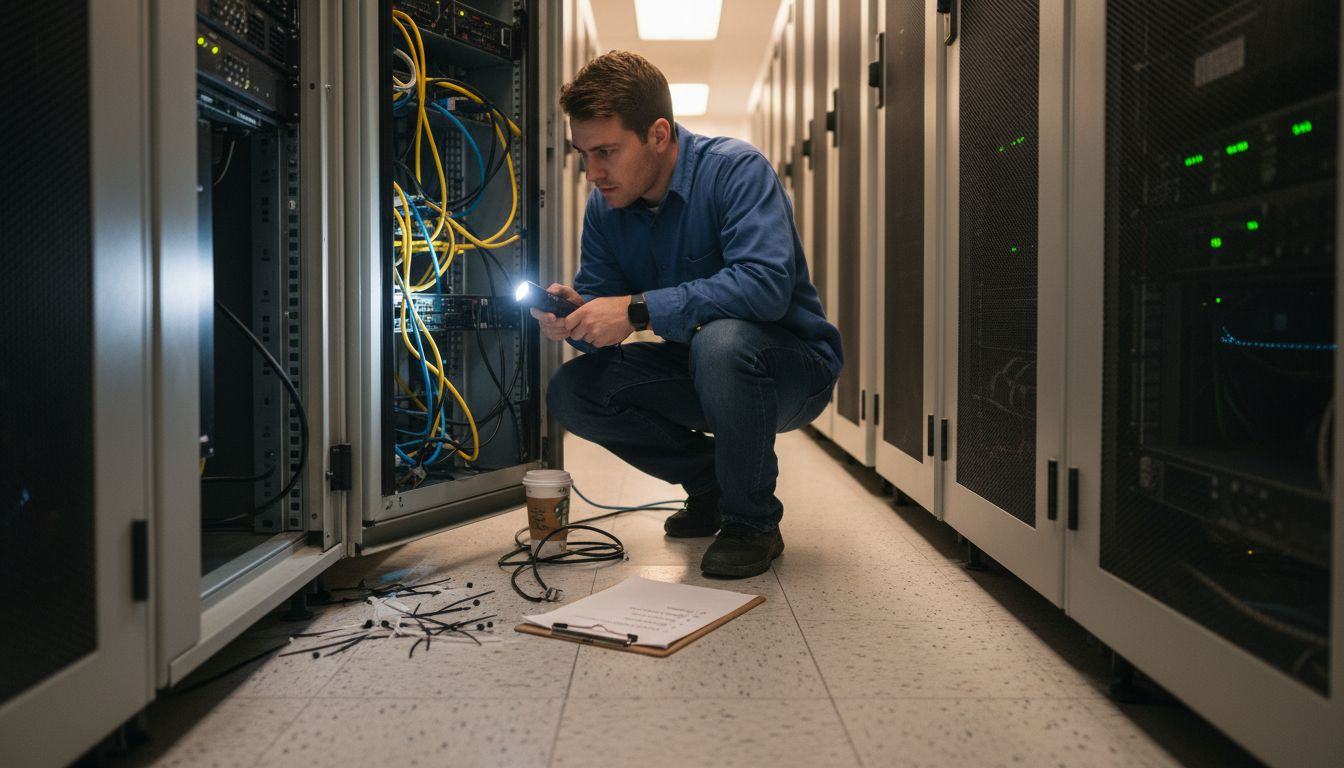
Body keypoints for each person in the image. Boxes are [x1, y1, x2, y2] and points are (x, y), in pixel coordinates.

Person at [532, 51, 842, 578]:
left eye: (606, 151)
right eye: (584, 154)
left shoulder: (735, 170)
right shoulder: (606, 208)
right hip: (698, 371)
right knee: (572, 392)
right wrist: (578, 321)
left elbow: (765, 287)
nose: (592, 173)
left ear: (657, 134)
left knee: (721, 342)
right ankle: (711, 484)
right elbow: (607, 313)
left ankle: (753, 523)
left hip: (788, 369)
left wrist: (636, 310)